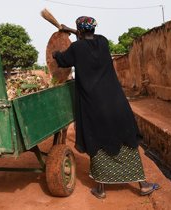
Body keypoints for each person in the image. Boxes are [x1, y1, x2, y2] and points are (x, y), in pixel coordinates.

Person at [52, 16, 160, 199]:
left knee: (97, 141)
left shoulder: (76, 49)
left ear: (79, 31)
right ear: (94, 29)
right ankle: (142, 185)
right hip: (116, 102)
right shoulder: (102, 42)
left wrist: (54, 53)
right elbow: (86, 38)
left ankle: (101, 189)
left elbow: (63, 60)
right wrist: (71, 30)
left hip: (94, 105)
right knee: (127, 140)